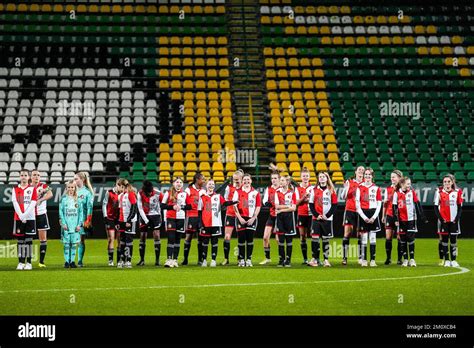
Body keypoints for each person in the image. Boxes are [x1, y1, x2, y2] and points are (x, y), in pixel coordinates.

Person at [198, 179, 238, 267]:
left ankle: (213, 260)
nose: (211, 186)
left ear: (214, 186)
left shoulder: (218, 196)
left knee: (214, 242)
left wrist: (233, 202)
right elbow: (200, 211)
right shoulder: (202, 197)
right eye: (209, 184)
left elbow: (225, 203)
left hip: (216, 223)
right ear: (206, 186)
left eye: (212, 184)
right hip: (205, 223)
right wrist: (200, 223)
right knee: (205, 242)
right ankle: (204, 260)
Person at [392, 177, 428, 267]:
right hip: (401, 220)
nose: (409, 185)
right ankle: (405, 259)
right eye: (408, 183)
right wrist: (396, 219)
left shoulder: (412, 193)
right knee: (403, 239)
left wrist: (422, 216)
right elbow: (394, 208)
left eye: (410, 183)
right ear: (402, 184)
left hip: (411, 219)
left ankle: (412, 259)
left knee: (410, 238)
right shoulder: (396, 194)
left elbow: (417, 204)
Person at [308, 172, 338, 267]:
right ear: (318, 179)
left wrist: (327, 215)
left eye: (323, 177)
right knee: (315, 238)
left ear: (327, 178)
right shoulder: (314, 190)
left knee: (325, 239)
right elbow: (311, 204)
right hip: (316, 218)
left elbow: (334, 205)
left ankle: (326, 260)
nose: (321, 178)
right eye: (320, 177)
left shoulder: (331, 190)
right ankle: (314, 260)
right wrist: (316, 215)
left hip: (327, 219)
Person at [434, 174, 463, 267]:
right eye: (445, 182)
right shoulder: (439, 192)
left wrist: (456, 219)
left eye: (448, 181)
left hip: (454, 221)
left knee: (454, 241)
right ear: (443, 183)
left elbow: (460, 207)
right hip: (444, 222)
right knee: (444, 241)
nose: (447, 183)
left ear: (452, 182)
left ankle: (454, 260)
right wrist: (442, 220)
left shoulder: (458, 192)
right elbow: (435, 207)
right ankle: (446, 260)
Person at [355, 167, 382, 267]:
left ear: (372, 176)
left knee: (373, 237)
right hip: (363, 214)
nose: (367, 176)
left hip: (373, 213)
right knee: (364, 238)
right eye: (365, 174)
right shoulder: (359, 188)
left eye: (369, 175)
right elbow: (357, 205)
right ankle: (364, 260)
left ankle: (373, 260)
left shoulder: (376, 188)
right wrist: (364, 217)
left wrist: (374, 217)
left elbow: (379, 204)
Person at [233, 173, 261, 267]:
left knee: (250, 239)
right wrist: (239, 218)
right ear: (242, 181)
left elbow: (258, 206)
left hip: (251, 219)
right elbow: (234, 206)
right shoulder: (237, 192)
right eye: (244, 180)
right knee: (241, 239)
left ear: (251, 181)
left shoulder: (255, 193)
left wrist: (253, 218)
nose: (246, 181)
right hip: (241, 218)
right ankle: (241, 259)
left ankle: (248, 259)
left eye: (248, 180)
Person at [12, 169, 37, 270]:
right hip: (18, 218)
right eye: (21, 175)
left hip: (30, 218)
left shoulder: (32, 189)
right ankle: (21, 262)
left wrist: (25, 215)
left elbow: (33, 202)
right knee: (20, 241)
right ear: (19, 177)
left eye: (25, 175)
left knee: (29, 241)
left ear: (29, 177)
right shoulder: (15, 189)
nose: (23, 177)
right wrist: (21, 215)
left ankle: (29, 263)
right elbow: (15, 202)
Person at [162, 177, 190, 268]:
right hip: (170, 218)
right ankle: (169, 259)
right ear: (173, 184)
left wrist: (181, 207)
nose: (179, 183)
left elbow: (189, 206)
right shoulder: (168, 193)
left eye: (181, 182)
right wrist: (172, 207)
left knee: (178, 239)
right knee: (171, 238)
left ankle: (175, 260)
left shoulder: (185, 194)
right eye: (177, 182)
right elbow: (162, 205)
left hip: (181, 218)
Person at [341, 166, 364, 265]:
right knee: (347, 234)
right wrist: (346, 188)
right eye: (359, 170)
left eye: (363, 171)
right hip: (350, 210)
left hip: (361, 211)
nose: (361, 172)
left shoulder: (365, 184)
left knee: (360, 234)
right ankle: (345, 258)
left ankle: (360, 257)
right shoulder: (349, 182)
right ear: (355, 172)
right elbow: (342, 197)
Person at [137, 180, 164, 266]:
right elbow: (140, 208)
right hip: (144, 215)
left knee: (156, 235)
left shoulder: (158, 193)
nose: (148, 194)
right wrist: (146, 220)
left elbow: (164, 204)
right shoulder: (140, 193)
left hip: (155, 216)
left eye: (150, 193)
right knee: (142, 236)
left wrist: (163, 217)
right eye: (147, 193)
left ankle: (157, 260)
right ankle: (142, 260)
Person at [221, 169, 244, 265]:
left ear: (242, 179)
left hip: (241, 215)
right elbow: (226, 201)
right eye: (234, 179)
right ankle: (226, 259)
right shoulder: (229, 188)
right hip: (230, 214)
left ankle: (240, 258)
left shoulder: (245, 188)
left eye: (237, 179)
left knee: (241, 238)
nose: (236, 181)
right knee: (227, 237)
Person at [31, 169, 53, 268]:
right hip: (29, 215)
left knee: (43, 239)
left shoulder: (43, 186)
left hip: (41, 215)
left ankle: (41, 262)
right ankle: (27, 261)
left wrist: (40, 199)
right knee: (27, 238)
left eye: (38, 175)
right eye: (34, 175)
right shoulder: (28, 187)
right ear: (31, 177)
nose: (36, 177)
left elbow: (50, 194)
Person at [183, 173, 206, 265]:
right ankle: (185, 259)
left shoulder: (204, 191)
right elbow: (184, 202)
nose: (204, 181)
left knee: (200, 237)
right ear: (197, 179)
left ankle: (200, 260)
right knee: (188, 237)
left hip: (201, 217)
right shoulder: (188, 190)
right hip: (191, 216)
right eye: (202, 179)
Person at [59, 180, 83, 268]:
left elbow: (81, 213)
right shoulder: (63, 199)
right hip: (66, 226)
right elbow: (61, 212)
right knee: (66, 244)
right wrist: (63, 223)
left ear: (75, 188)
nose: (70, 189)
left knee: (73, 244)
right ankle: (66, 261)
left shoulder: (78, 200)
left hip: (75, 226)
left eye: (72, 187)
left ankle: (72, 261)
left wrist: (79, 225)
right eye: (69, 187)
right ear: (66, 188)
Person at [274, 175, 297, 267]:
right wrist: (287, 206)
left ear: (287, 182)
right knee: (281, 240)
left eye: (283, 180)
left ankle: (288, 260)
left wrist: (282, 209)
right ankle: (281, 259)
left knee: (289, 240)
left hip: (289, 218)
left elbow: (294, 208)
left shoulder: (292, 193)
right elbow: (276, 206)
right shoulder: (277, 192)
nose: (281, 182)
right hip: (280, 219)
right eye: (281, 180)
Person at [382, 170, 403, 265]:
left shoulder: (402, 189)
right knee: (388, 237)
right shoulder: (388, 189)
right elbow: (385, 204)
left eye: (394, 177)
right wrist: (383, 215)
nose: (392, 178)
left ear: (399, 178)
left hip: (399, 216)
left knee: (399, 237)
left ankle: (399, 259)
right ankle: (388, 258)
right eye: (391, 177)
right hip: (389, 215)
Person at [259, 168, 280, 265]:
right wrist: (269, 204)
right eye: (272, 178)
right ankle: (267, 258)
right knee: (265, 237)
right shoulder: (269, 189)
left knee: (278, 239)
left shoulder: (282, 189)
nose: (274, 180)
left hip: (280, 217)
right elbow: (264, 201)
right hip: (271, 216)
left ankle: (282, 258)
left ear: (279, 179)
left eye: (275, 178)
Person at [294, 167, 314, 265]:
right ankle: (305, 258)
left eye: (307, 176)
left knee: (314, 235)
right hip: (301, 214)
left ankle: (315, 258)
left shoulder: (313, 188)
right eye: (303, 176)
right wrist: (304, 198)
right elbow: (296, 203)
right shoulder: (297, 189)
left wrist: (308, 200)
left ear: (309, 177)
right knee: (302, 236)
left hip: (311, 214)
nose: (305, 178)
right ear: (301, 177)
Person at [74, 172, 94, 267]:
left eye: (76, 179)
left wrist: (88, 220)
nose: (74, 181)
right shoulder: (72, 190)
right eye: (74, 179)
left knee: (80, 240)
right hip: (72, 219)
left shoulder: (87, 192)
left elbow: (90, 207)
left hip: (82, 220)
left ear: (82, 179)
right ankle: (69, 260)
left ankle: (80, 261)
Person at [117, 179, 138, 268]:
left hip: (130, 221)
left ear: (122, 186)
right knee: (122, 240)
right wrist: (119, 222)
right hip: (122, 221)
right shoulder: (121, 196)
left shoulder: (131, 194)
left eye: (118, 186)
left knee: (128, 241)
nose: (118, 188)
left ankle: (128, 260)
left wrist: (129, 220)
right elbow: (120, 210)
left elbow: (134, 208)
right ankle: (122, 259)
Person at [102, 179, 122, 266]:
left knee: (119, 239)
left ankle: (119, 259)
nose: (122, 188)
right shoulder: (109, 192)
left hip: (119, 219)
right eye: (120, 186)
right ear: (117, 185)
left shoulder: (123, 194)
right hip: (110, 218)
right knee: (111, 238)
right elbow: (104, 204)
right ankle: (110, 260)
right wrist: (105, 216)